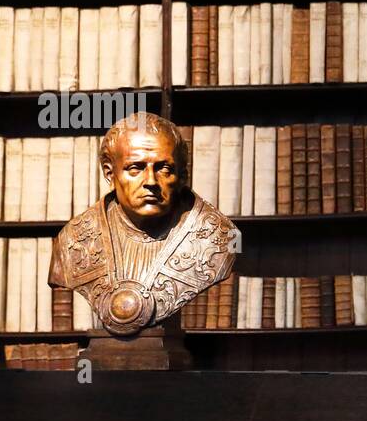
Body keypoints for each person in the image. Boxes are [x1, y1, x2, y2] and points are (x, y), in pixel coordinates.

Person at [49, 112, 235, 336]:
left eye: (164, 168)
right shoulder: (71, 242)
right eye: (135, 168)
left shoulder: (219, 239)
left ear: (182, 175)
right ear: (110, 173)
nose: (150, 182)